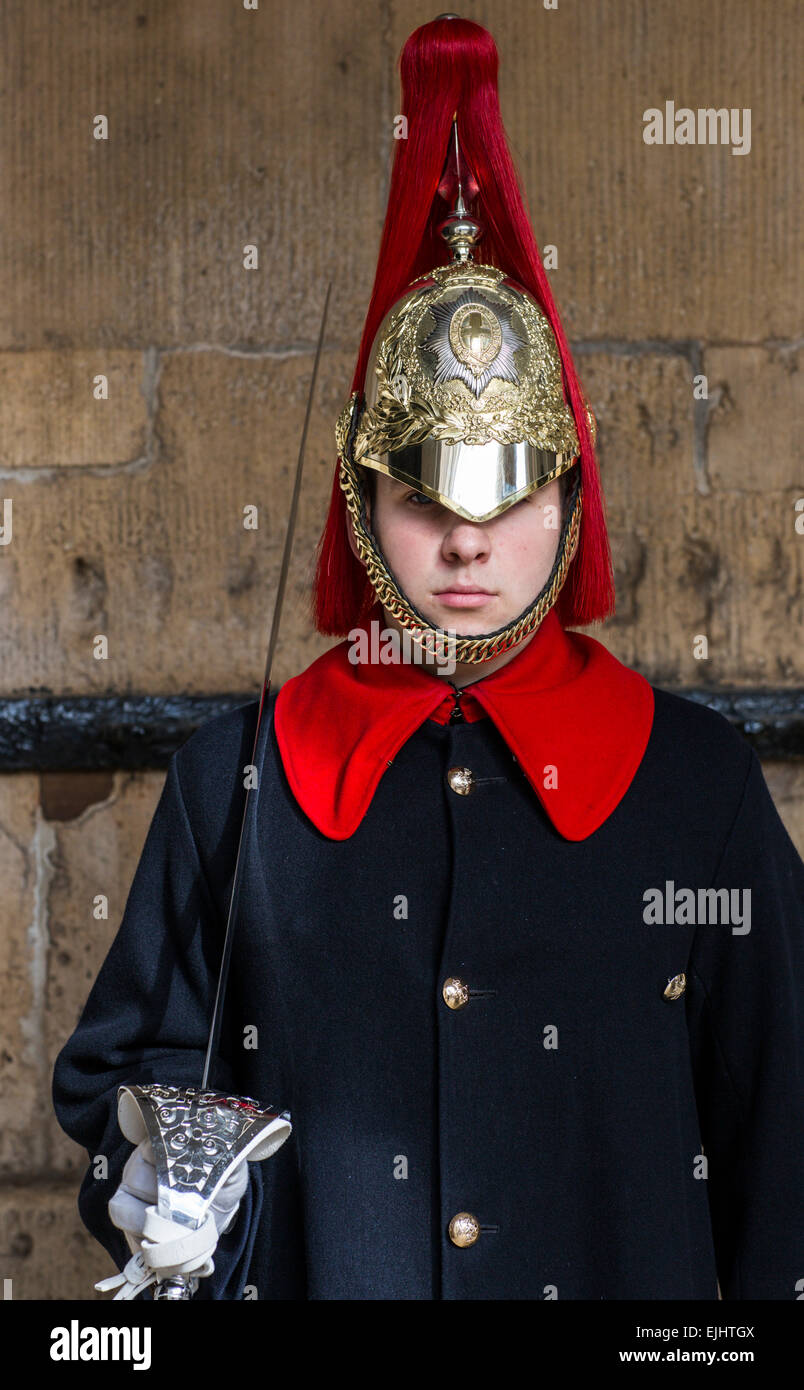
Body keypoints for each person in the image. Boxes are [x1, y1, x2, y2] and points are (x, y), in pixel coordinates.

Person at [52, 15, 804, 1301]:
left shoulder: (701, 788)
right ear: (362, 503)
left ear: (568, 500)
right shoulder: (234, 778)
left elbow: (784, 1151)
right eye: (423, 495)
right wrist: (150, 1178)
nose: (466, 541)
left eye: (508, 494)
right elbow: (137, 1076)